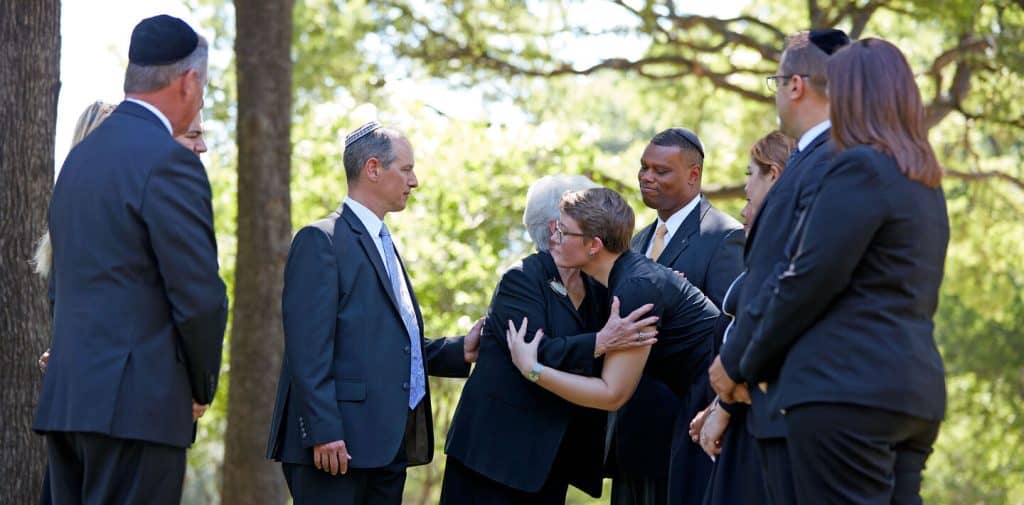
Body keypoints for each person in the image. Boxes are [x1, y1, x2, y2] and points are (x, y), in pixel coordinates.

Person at [739, 38, 949, 505]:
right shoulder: (924, 181)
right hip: (912, 394)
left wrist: (746, 364)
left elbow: (808, 279)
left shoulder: (858, 168)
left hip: (845, 391)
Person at [33, 15, 227, 505]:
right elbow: (199, 296)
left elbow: (64, 285)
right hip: (138, 409)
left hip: (69, 405)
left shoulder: (79, 160)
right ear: (189, 82)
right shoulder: (169, 161)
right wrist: (200, 384)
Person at [266, 122, 483, 505]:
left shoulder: (385, 243)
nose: (414, 181)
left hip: (388, 446)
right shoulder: (322, 240)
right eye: (406, 169)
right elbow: (307, 348)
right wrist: (324, 430)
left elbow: (389, 343)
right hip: (336, 448)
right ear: (372, 168)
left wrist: (459, 349)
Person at [442, 175, 659, 505]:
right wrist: (599, 341)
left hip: (549, 459)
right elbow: (536, 352)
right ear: (559, 227)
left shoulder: (595, 286)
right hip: (493, 458)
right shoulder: (522, 279)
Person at [710, 28, 850, 505]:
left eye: (776, 80)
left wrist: (730, 379)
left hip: (798, 402)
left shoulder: (829, 164)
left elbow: (792, 285)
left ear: (795, 85)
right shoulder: (829, 160)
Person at [504, 188, 719, 494]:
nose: (555, 238)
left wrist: (532, 369)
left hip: (712, 400)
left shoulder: (635, 288)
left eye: (564, 232)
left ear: (594, 245)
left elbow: (611, 394)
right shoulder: (622, 277)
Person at [619, 127, 744, 505]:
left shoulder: (724, 236)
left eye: (661, 170)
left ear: (694, 174)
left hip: (684, 431)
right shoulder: (637, 242)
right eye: (644, 167)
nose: (647, 177)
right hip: (632, 431)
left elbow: (725, 336)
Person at [692, 130, 795, 505]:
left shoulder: (790, 245)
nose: (745, 188)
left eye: (751, 174)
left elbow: (767, 328)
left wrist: (726, 400)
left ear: (775, 174)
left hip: (766, 416)